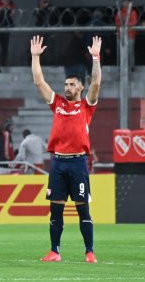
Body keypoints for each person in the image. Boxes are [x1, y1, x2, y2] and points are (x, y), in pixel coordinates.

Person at [30, 35, 102, 263]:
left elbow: (97, 83)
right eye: (66, 84)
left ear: (81, 86)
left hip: (78, 162)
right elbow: (39, 83)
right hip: (58, 162)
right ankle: (55, 251)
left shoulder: (86, 106)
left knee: (83, 210)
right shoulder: (58, 103)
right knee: (56, 210)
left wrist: (96, 58)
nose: (68, 87)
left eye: (72, 84)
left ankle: (89, 251)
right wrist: (35, 57)